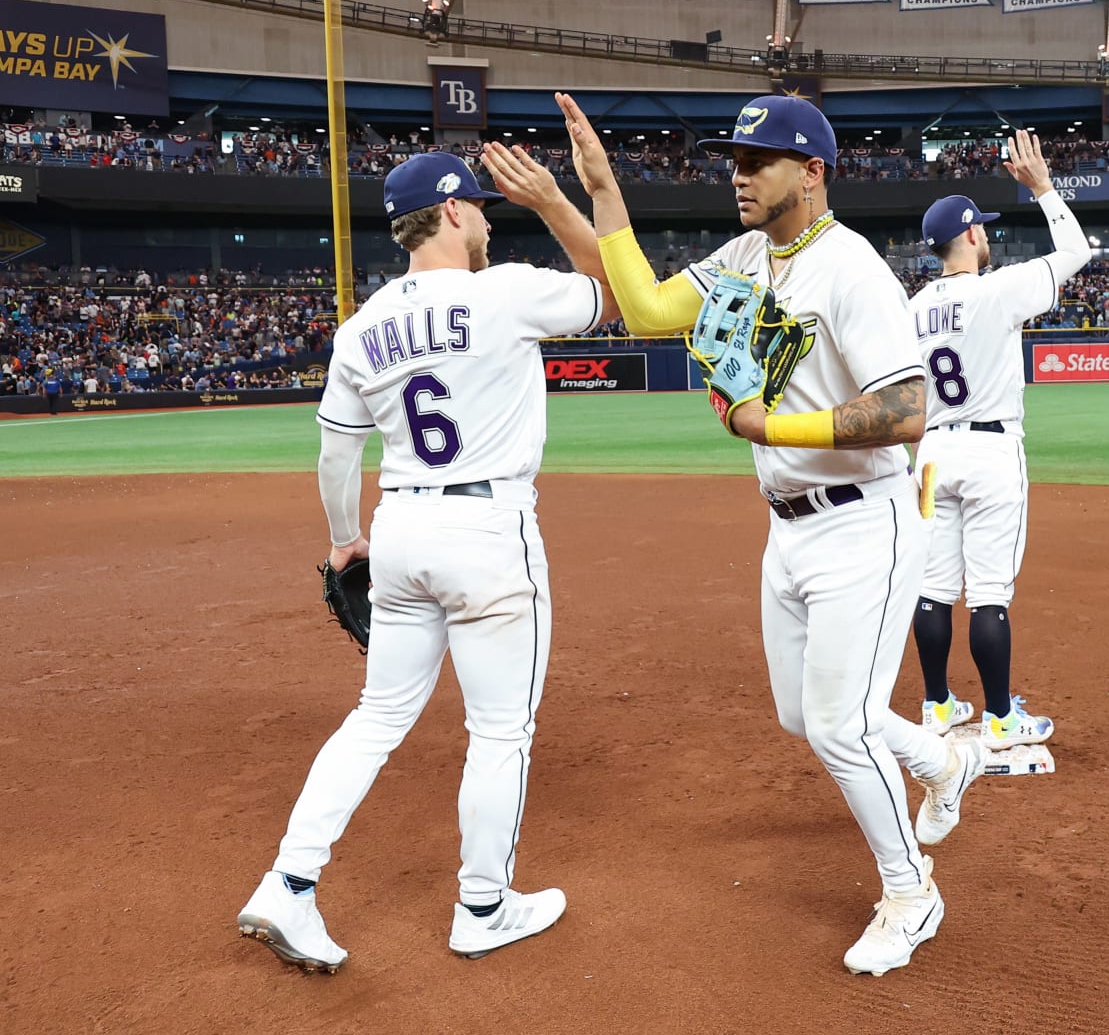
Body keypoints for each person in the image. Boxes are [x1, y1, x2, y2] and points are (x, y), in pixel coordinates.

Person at [561, 91, 985, 976]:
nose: (739, 176)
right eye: (734, 160)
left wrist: (769, 427)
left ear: (813, 172)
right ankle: (941, 762)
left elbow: (909, 410)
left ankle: (912, 891)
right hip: (787, 529)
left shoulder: (852, 269)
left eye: (758, 162)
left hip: (865, 525)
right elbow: (643, 309)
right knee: (806, 715)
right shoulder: (746, 254)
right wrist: (601, 190)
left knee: (839, 726)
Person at [236, 149, 618, 972]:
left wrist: (346, 540)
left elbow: (337, 459)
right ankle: (483, 906)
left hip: (399, 529)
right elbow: (615, 290)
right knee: (500, 730)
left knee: (376, 717)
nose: (486, 220)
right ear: (450, 213)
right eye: (479, 207)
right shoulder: (503, 289)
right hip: (488, 530)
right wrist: (557, 202)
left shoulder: (360, 327)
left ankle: (288, 883)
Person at [907, 130, 1091, 749]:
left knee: (932, 588)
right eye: (981, 228)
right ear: (973, 236)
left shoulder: (910, 307)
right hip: (989, 451)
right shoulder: (995, 290)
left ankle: (936, 705)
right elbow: (1076, 251)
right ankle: (1001, 721)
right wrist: (1041, 186)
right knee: (987, 593)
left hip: (930, 456)